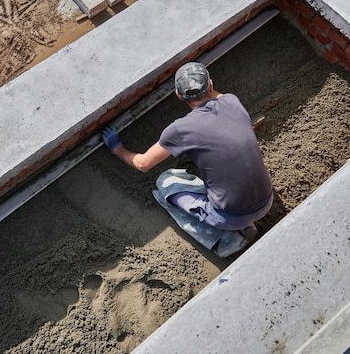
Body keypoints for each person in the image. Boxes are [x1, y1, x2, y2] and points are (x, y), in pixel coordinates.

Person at [102, 62, 273, 258]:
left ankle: (227, 241)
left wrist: (118, 149)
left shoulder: (181, 129)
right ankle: (245, 222)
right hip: (266, 199)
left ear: (178, 95)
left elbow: (143, 163)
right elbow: (218, 96)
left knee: (165, 183)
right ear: (211, 85)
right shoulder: (232, 101)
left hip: (230, 216)